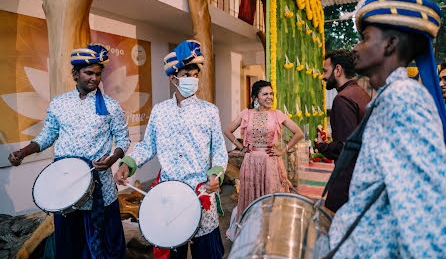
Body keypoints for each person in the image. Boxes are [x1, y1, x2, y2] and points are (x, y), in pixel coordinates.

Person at [327, 0, 446, 258]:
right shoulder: (388, 97)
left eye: (365, 38)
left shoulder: (404, 98)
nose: (356, 47)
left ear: (390, 44)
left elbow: (425, 214)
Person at [8, 43, 130, 259]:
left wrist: (112, 159)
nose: (93, 78)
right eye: (88, 73)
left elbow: (123, 139)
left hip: (99, 185)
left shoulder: (111, 106)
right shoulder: (59, 104)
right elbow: (47, 136)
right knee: (69, 242)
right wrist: (24, 151)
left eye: (98, 74)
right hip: (65, 185)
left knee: (104, 243)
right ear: (75, 73)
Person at [114, 40, 228, 259]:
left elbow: (220, 151)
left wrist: (216, 175)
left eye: (196, 74)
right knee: (173, 250)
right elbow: (148, 145)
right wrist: (128, 164)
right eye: (187, 74)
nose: (193, 80)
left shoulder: (209, 111)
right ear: (172, 78)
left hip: (201, 193)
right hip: (169, 195)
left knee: (207, 252)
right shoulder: (160, 111)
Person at [224, 80, 304, 221]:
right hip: (251, 162)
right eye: (265, 94)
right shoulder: (246, 114)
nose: (270, 97)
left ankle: (270, 231)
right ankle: (250, 231)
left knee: (270, 197)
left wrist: (283, 150)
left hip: (270, 162)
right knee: (251, 196)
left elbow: (298, 133)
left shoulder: (276, 114)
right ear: (255, 97)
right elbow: (228, 130)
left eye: (271, 94)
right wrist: (241, 146)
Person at [316, 49, 371, 212]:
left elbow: (344, 147)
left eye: (325, 71)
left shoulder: (343, 99)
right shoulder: (361, 93)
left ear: (338, 70)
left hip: (348, 179)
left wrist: (322, 146)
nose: (324, 76)